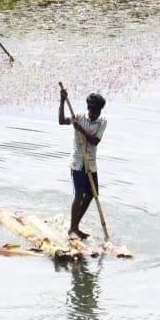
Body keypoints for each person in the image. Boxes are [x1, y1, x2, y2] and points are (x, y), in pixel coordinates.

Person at [58, 86, 106, 240]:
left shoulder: (102, 122)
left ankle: (75, 225)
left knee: (92, 194)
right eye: (92, 111)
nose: (94, 115)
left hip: (91, 163)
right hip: (78, 162)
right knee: (79, 193)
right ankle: (73, 229)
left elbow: (94, 141)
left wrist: (81, 129)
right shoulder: (78, 116)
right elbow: (61, 121)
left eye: (97, 112)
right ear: (89, 109)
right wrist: (62, 101)